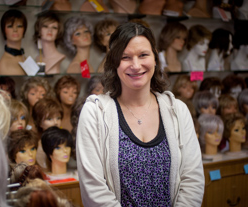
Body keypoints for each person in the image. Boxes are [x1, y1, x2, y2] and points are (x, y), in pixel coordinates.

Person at [76, 22, 204, 206]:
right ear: (114, 62)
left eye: (143, 55)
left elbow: (193, 180)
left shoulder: (177, 110)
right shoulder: (95, 112)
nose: (136, 65)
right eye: (125, 57)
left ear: (155, 58)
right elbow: (93, 189)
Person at [32, 97, 63, 171]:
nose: (56, 122)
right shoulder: (38, 145)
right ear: (39, 122)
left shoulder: (62, 140)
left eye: (58, 118)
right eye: (49, 119)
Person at [0, 9, 27, 75]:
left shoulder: (24, 58)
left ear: (24, 29)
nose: (15, 30)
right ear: (4, 30)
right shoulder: (5, 63)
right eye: (10, 26)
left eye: (19, 26)